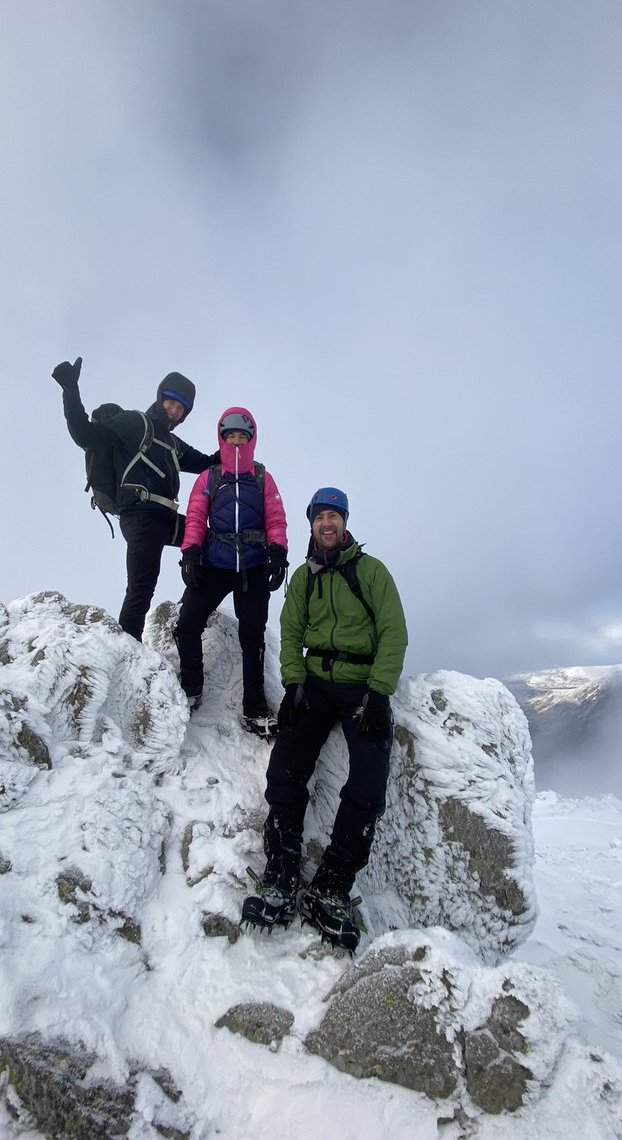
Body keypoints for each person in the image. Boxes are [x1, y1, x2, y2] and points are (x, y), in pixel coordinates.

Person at [241, 487, 408, 952]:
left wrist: (379, 694)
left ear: (345, 522)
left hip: (360, 687)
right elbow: (290, 631)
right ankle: (280, 876)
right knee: (284, 771)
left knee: (369, 784)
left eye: (334, 516)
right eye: (320, 517)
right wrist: (293, 684)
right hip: (315, 683)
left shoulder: (371, 572)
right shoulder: (303, 577)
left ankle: (331, 888)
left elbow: (394, 632)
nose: (327, 524)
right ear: (312, 524)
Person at [52, 356, 216, 641]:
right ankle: (128, 650)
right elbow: (84, 435)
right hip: (140, 517)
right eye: (171, 403)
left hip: (165, 517)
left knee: (211, 540)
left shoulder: (172, 444)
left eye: (181, 409)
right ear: (160, 398)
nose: (174, 411)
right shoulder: (134, 422)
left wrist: (236, 445)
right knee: (141, 588)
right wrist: (70, 390)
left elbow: (206, 463)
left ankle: (190, 609)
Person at [174, 407, 289, 736]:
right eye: (231, 436)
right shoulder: (209, 477)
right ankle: (191, 688)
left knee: (252, 636)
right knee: (188, 623)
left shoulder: (263, 477)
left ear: (251, 439)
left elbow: (276, 519)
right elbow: (196, 517)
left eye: (242, 436)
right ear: (222, 438)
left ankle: (254, 707)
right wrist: (191, 553)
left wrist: (278, 553)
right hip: (215, 564)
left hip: (253, 565)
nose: (237, 442)